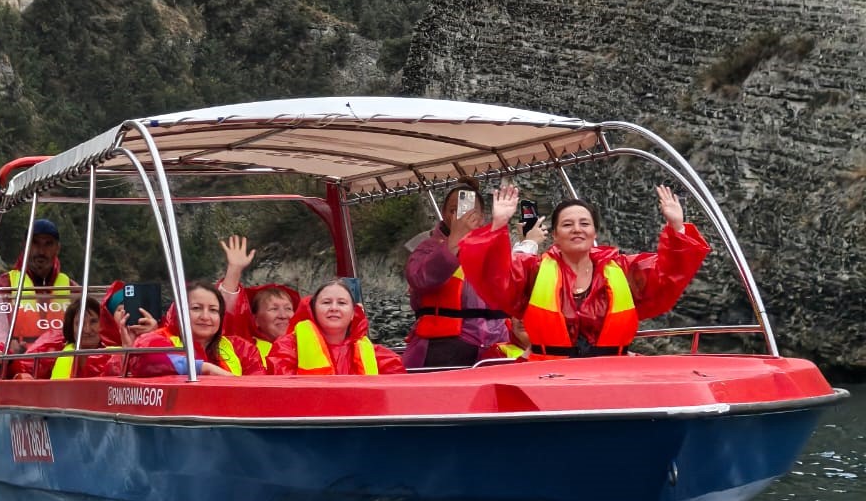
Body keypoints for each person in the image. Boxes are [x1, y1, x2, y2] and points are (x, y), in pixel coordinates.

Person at [458, 184, 711, 359]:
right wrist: (499, 224)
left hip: (610, 372)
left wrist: (677, 227)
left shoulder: (622, 269)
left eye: (584, 224)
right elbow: (494, 276)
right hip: (548, 376)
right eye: (567, 225)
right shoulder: (532, 271)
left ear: (595, 233)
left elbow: (668, 276)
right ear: (554, 235)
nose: (577, 229)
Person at [403, 183, 509, 369]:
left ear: (481, 217)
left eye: (469, 211)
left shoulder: (492, 248)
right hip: (444, 346)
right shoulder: (427, 247)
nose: (460, 216)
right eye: (454, 210)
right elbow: (420, 279)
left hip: (494, 345)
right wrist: (453, 243)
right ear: (445, 214)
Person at [0, 218, 79, 372]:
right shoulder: (4, 286)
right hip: (17, 371)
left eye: (48, 244)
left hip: (63, 373)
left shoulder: (73, 290)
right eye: (35, 243)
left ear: (58, 248)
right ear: (25, 246)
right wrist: (4, 347)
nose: (41, 251)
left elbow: (91, 331)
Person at [266, 279, 405, 376]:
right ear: (313, 310)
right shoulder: (286, 349)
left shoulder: (379, 356)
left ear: (353, 314)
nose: (334, 308)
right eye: (326, 302)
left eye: (342, 303)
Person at [129, 282, 262, 378]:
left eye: (213, 310)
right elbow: (144, 359)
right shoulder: (158, 338)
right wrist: (203, 368)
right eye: (196, 308)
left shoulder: (241, 348)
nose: (205, 317)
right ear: (179, 312)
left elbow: (259, 386)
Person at [215, 234, 299, 365]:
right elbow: (224, 316)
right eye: (274, 309)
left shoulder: (308, 344)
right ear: (256, 320)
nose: (283, 316)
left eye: (288, 308)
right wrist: (234, 270)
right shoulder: (245, 347)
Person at [12, 298, 130, 379]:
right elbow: (23, 369)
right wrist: (2, 360)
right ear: (70, 327)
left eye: (93, 321)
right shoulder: (53, 351)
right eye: (79, 323)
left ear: (103, 324)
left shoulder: (117, 355)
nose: (87, 330)